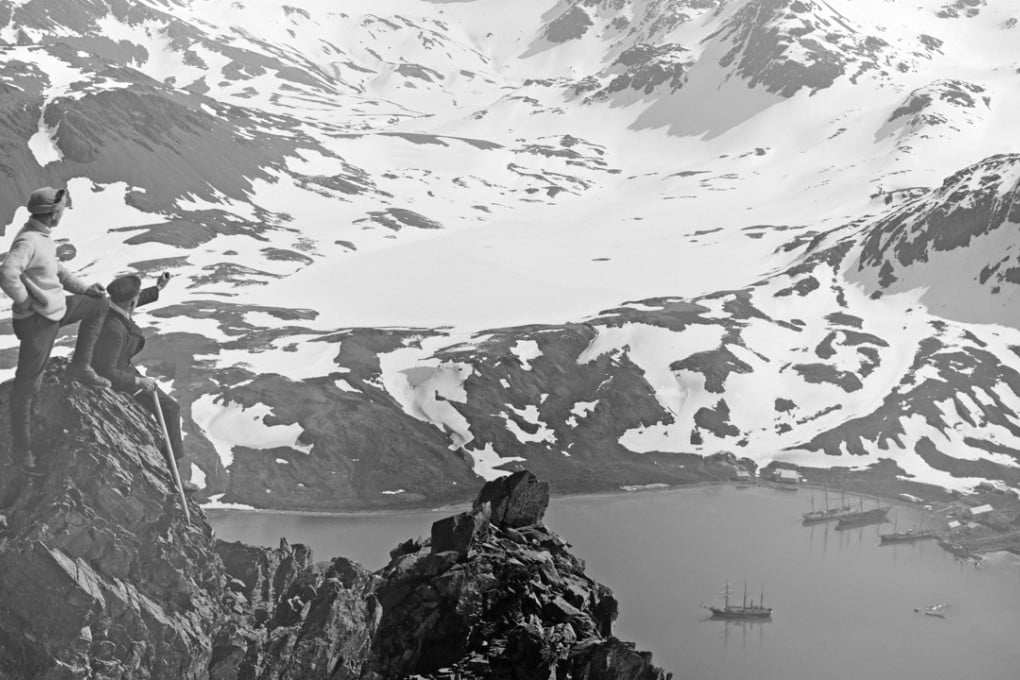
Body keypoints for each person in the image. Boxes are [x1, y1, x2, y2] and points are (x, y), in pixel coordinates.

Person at [0, 187, 111, 474]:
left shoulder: (40, 237)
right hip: (40, 323)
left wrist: (86, 290)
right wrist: (25, 301)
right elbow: (7, 272)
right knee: (27, 387)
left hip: (54, 311)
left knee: (98, 305)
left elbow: (58, 271)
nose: (65, 210)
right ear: (53, 213)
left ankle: (80, 367)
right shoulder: (29, 241)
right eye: (62, 207)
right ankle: (22, 454)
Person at [90, 273, 198, 492]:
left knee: (168, 407)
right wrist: (138, 381)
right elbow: (107, 371)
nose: (138, 300)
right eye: (136, 297)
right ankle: (175, 476)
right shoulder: (114, 330)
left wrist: (158, 287)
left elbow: (139, 298)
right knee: (170, 409)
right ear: (130, 302)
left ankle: (172, 469)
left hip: (122, 367)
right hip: (115, 377)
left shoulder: (115, 306)